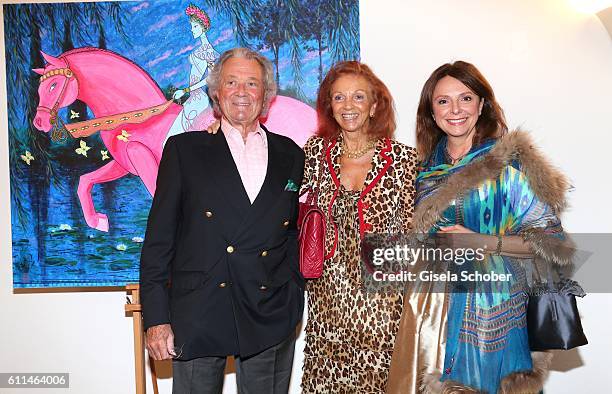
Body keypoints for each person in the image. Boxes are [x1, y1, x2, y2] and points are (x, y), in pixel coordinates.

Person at [388, 61, 573, 393]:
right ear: (431, 112)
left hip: (494, 314)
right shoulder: (422, 171)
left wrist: (482, 242)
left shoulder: (508, 165)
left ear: (482, 104)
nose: (455, 109)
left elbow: (552, 244)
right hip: (430, 314)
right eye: (443, 101)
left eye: (466, 98)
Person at [140, 47, 305, 394]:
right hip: (199, 310)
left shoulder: (291, 153)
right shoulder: (185, 150)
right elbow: (158, 243)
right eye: (231, 82)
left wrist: (292, 293)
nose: (241, 92)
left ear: (266, 96)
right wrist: (156, 319)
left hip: (270, 308)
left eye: (251, 83)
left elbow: (291, 232)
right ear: (216, 93)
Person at [299, 61, 419, 393]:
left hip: (382, 309)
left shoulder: (405, 161)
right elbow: (271, 186)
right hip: (327, 305)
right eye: (339, 98)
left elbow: (414, 236)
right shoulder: (314, 155)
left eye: (358, 97)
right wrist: (222, 134)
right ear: (329, 106)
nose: (348, 106)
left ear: (374, 105)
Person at [164, 3, 219, 145]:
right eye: (192, 26)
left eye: (195, 26)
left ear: (203, 27)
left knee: (174, 139)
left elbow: (210, 78)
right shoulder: (202, 49)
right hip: (194, 98)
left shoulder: (208, 51)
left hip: (199, 99)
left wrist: (185, 90)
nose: (192, 30)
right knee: (173, 138)